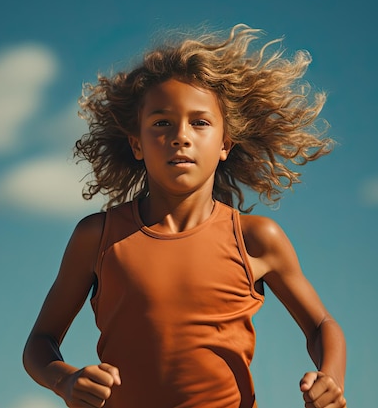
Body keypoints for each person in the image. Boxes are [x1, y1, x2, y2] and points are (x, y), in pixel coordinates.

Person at [23, 24, 347, 408]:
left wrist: (330, 378)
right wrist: (66, 380)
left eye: (200, 122)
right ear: (136, 144)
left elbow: (321, 326)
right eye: (161, 123)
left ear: (225, 143)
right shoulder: (97, 237)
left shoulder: (257, 239)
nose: (181, 136)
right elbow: (40, 342)